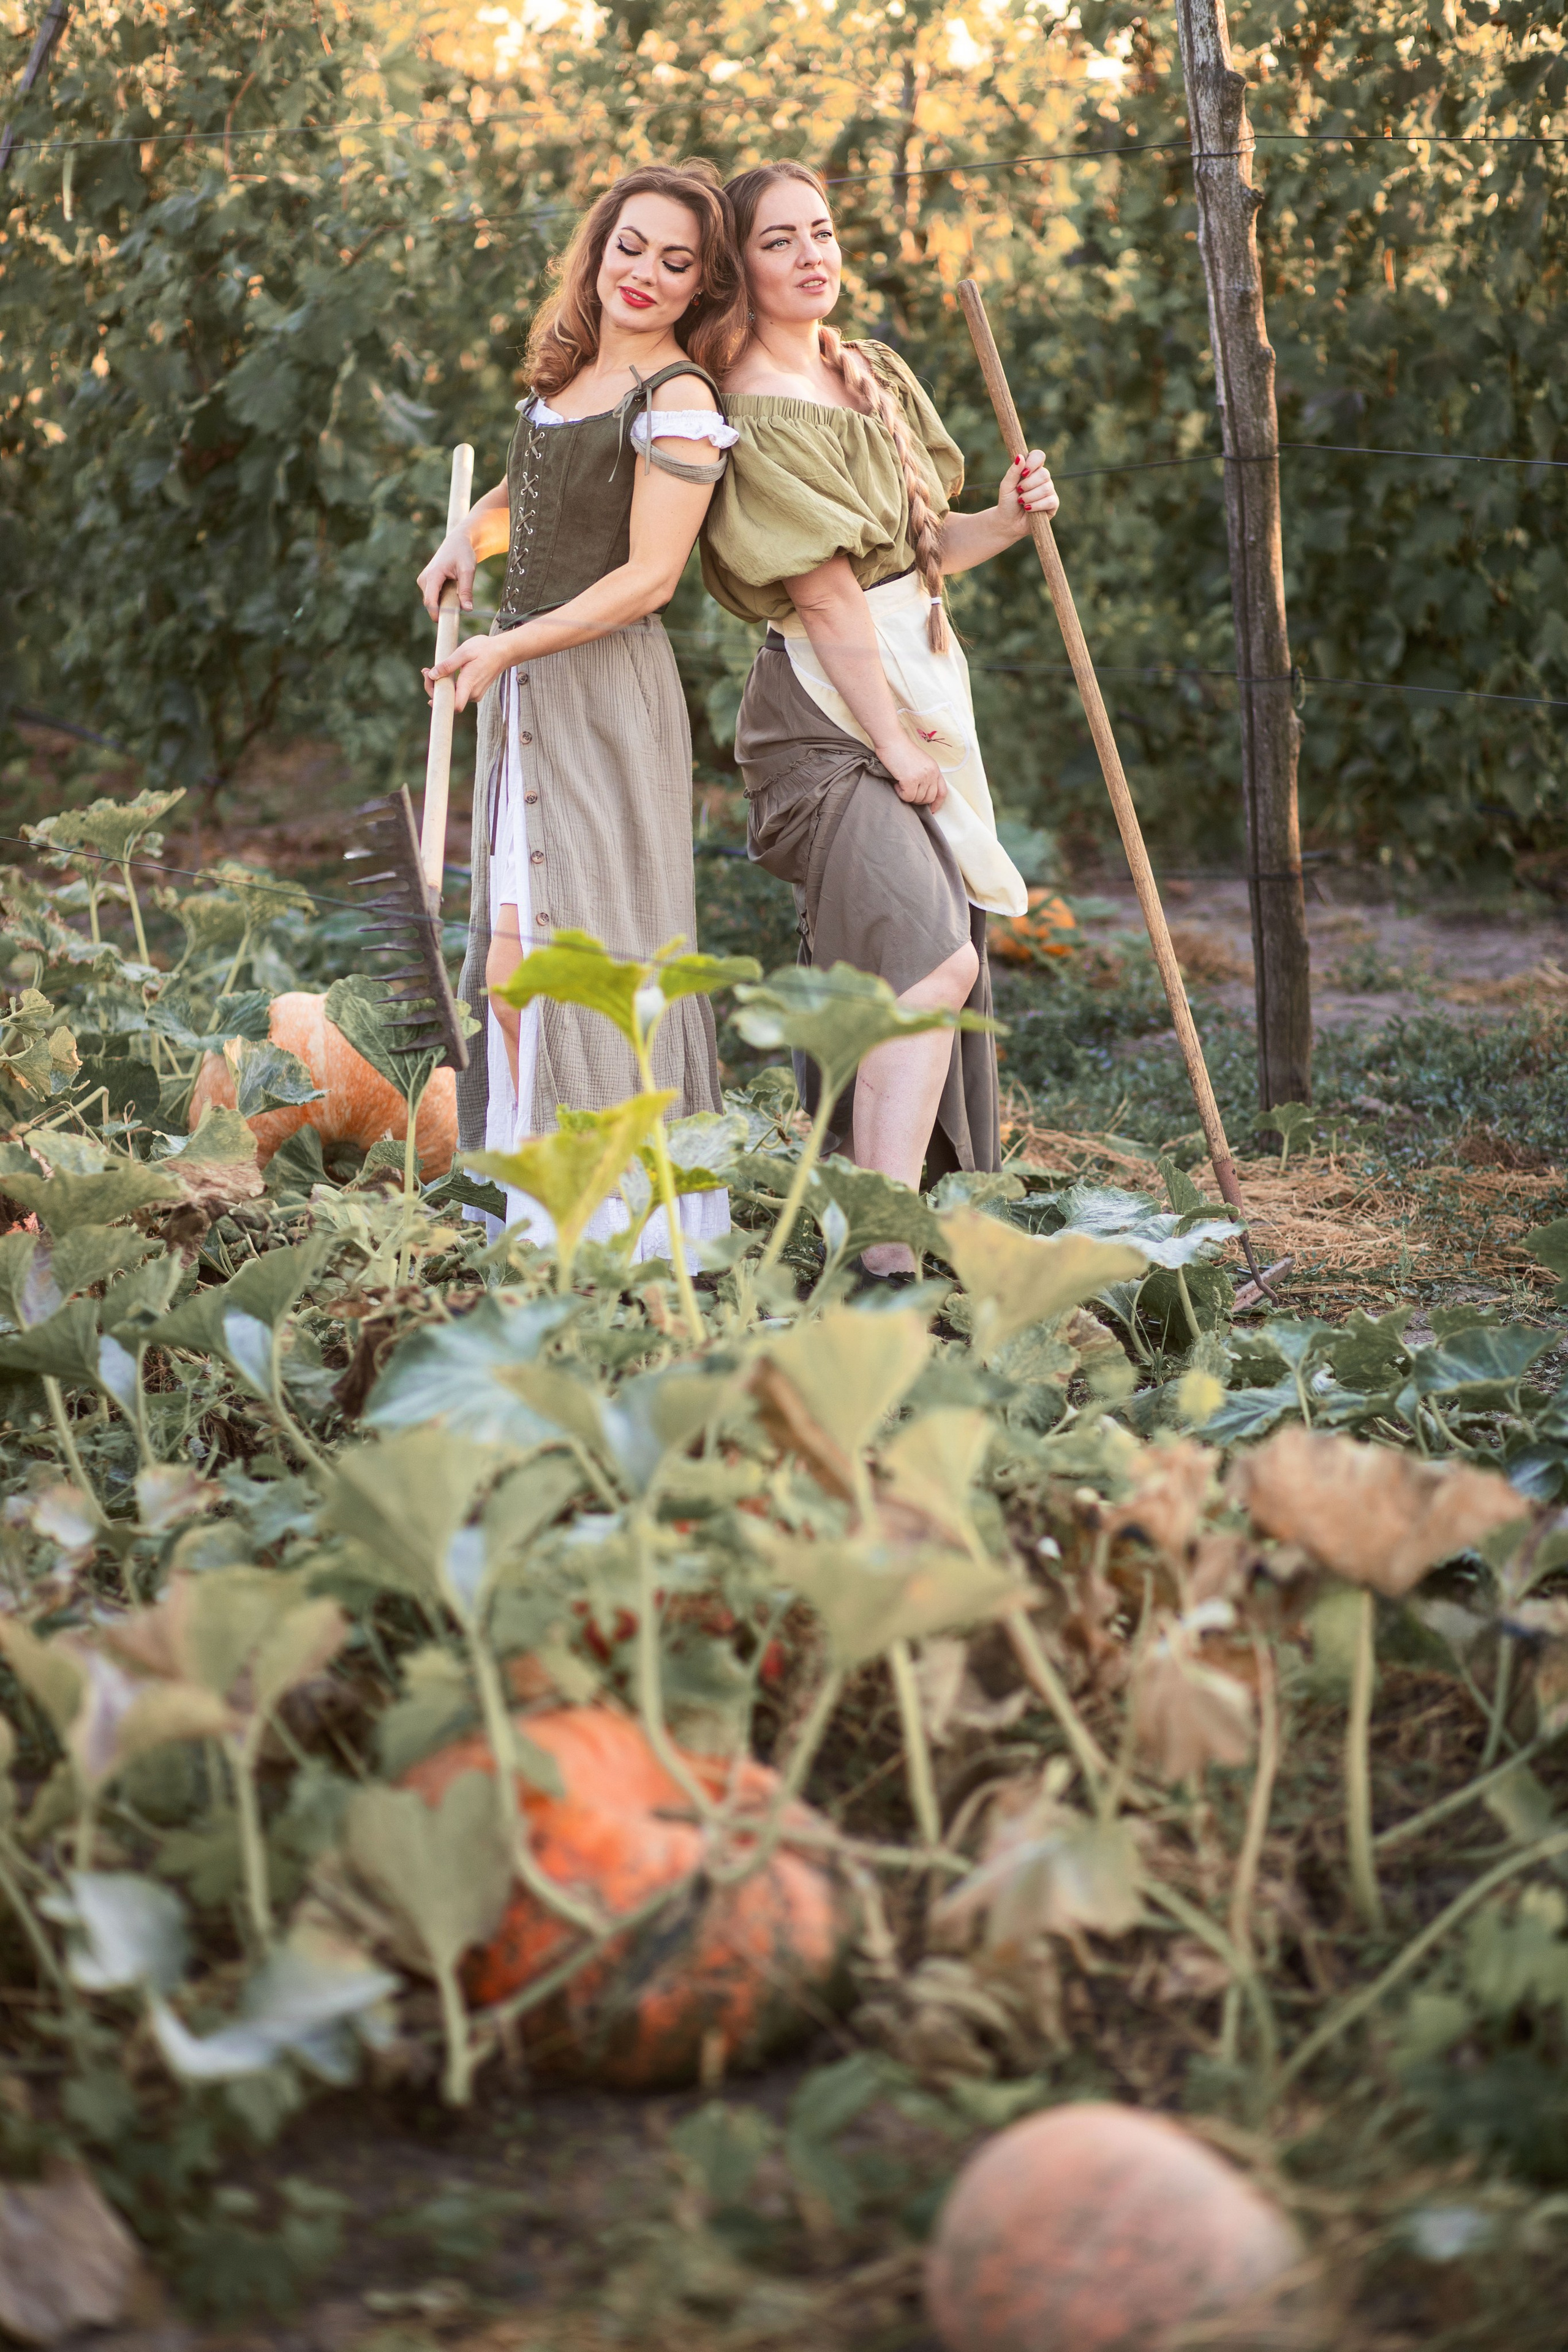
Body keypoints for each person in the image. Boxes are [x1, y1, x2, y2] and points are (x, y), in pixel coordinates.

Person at [703, 161, 1060, 1278]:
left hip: (911, 678)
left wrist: (1003, 518)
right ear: (741, 266)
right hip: (824, 711)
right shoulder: (747, 404)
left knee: (916, 958)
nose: (813, 255)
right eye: (780, 241)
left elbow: (923, 546)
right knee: (929, 957)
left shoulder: (876, 375)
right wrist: (896, 742)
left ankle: (886, 1239)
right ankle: (880, 1245)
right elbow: (822, 593)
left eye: (823, 232)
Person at [416, 162, 746, 1256]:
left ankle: (633, 1229)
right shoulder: (570, 383)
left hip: (602, 696)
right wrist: (469, 538)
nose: (644, 273)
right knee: (514, 973)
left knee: (598, 956)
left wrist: (504, 643)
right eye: (630, 246)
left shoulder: (682, 400)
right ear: (599, 249)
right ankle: (533, 1203)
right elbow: (542, 485)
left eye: (676, 260)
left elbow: (649, 576)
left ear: (703, 285)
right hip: (528, 701)